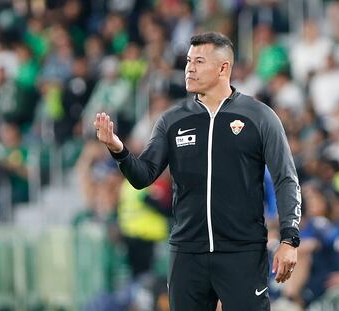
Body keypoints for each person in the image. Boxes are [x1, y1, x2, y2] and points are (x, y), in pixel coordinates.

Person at [94, 32, 301, 311]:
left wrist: (289, 238)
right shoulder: (172, 119)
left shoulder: (259, 116)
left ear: (223, 68)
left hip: (242, 252)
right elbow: (143, 176)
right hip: (187, 253)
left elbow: (286, 178)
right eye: (189, 61)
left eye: (199, 61)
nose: (189, 68)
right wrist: (118, 149)